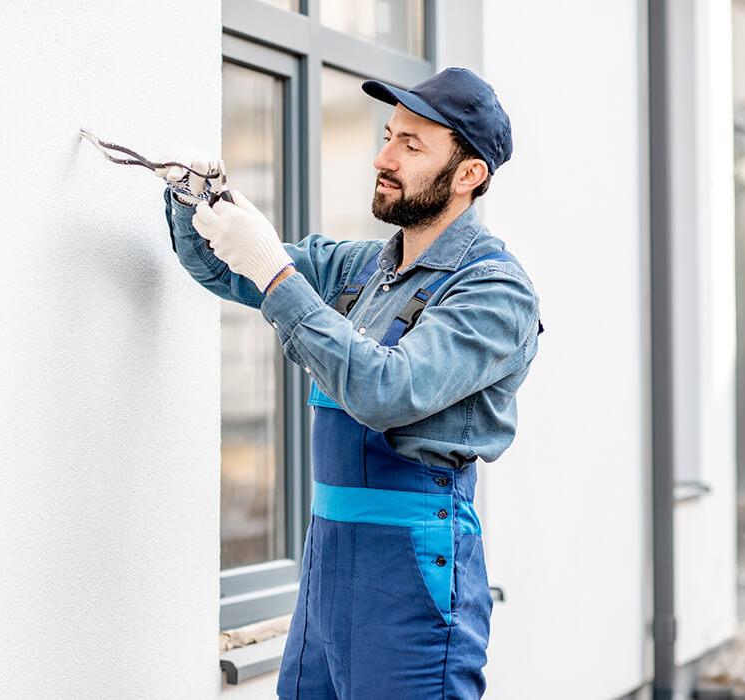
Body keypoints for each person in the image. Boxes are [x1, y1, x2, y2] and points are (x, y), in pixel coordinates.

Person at [159, 67, 540, 699]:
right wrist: (191, 199)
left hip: (413, 572)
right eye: (389, 136)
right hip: (328, 563)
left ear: (469, 175)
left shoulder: (495, 291)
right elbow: (222, 269)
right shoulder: (362, 268)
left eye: (411, 146)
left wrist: (276, 273)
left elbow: (386, 391)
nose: (382, 157)